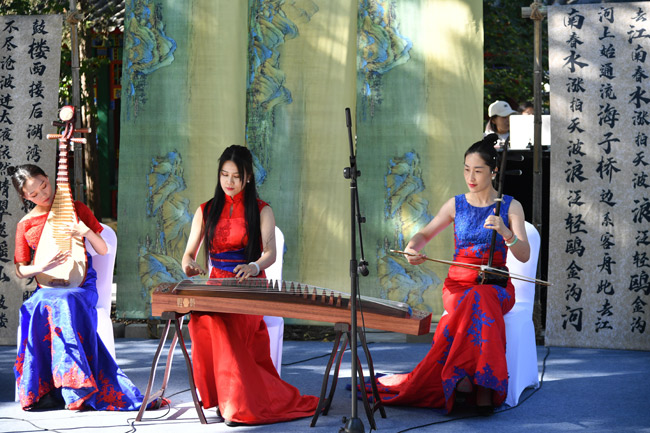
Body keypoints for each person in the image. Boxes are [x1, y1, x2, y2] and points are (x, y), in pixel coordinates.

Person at [366, 134, 530, 415]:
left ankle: (468, 383)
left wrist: (505, 232)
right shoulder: (456, 204)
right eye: (467, 169)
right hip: (457, 285)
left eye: (478, 170)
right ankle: (480, 388)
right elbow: (424, 234)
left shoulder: (511, 206)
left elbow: (524, 254)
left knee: (481, 297)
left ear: (493, 172)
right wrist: (412, 248)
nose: (471, 176)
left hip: (495, 285)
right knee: (475, 299)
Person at [181, 144, 318, 426]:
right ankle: (220, 397)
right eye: (224, 175)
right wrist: (189, 265)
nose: (229, 182)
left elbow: (270, 252)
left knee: (225, 324)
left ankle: (236, 403)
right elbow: (188, 254)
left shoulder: (261, 210)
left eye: (235, 176)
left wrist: (254, 266)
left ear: (248, 178)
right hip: (217, 286)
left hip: (249, 287)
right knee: (202, 318)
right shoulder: (205, 210)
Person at [10, 164, 146, 411]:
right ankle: (44, 390)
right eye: (34, 194)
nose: (43, 195)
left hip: (82, 286)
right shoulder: (26, 224)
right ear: (25, 197)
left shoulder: (77, 209)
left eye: (45, 185)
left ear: (49, 180)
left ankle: (76, 389)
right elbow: (20, 269)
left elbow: (103, 249)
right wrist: (41, 265)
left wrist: (84, 230)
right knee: (34, 305)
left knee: (66, 301)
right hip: (48, 290)